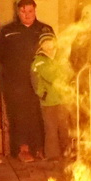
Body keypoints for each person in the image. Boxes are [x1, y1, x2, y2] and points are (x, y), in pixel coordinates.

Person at [0, 0, 54, 160]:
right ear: (18, 12)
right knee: (19, 115)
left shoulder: (45, 30)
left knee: (39, 114)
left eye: (30, 11)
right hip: (16, 82)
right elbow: (0, 55)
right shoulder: (7, 31)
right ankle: (23, 149)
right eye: (23, 11)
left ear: (35, 10)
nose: (27, 15)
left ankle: (39, 148)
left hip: (40, 80)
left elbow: (53, 53)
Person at [31, 33, 73, 162]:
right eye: (45, 42)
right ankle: (52, 154)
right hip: (48, 100)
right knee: (51, 128)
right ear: (41, 45)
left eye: (50, 42)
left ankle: (67, 151)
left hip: (62, 99)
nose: (48, 45)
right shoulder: (39, 61)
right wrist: (42, 93)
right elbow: (44, 78)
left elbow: (69, 72)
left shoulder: (61, 57)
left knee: (64, 127)